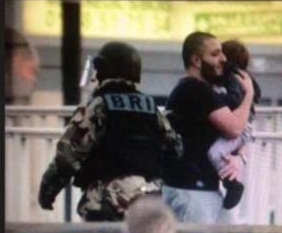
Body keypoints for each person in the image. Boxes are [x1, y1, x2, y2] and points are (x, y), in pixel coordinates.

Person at [36, 41, 183, 221]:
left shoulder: (98, 104)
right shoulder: (150, 106)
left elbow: (67, 155)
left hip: (108, 199)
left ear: (106, 69)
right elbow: (176, 148)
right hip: (149, 197)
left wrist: (48, 191)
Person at [163, 31, 254, 225]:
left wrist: (239, 157)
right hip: (192, 191)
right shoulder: (195, 89)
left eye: (222, 53)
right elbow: (235, 128)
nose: (223, 59)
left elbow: (234, 132)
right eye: (215, 54)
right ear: (196, 60)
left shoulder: (197, 89)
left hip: (203, 190)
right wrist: (249, 94)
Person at [203, 38, 262, 210]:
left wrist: (218, 100)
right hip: (243, 128)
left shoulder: (233, 79)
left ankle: (232, 184)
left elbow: (234, 101)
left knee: (215, 153)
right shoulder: (243, 78)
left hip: (241, 128)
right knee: (223, 153)